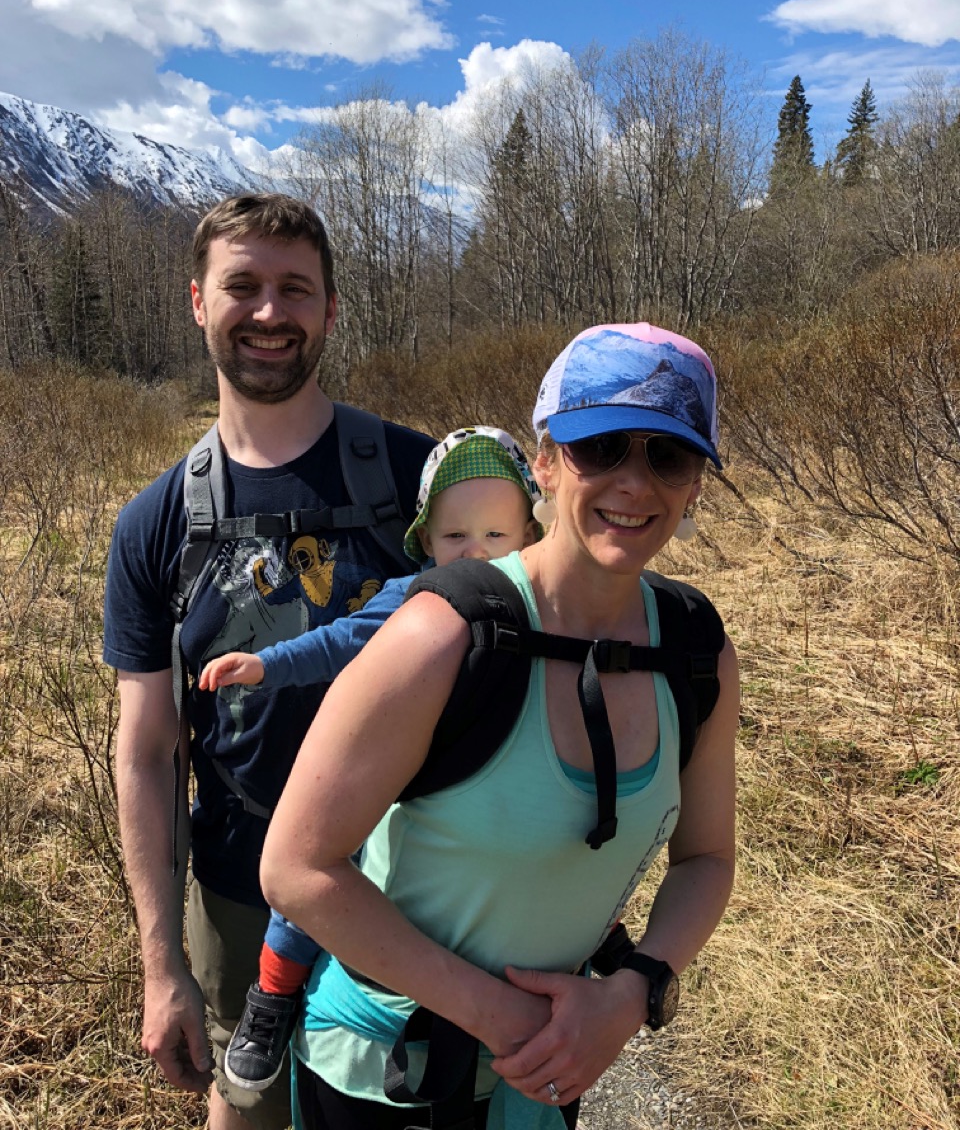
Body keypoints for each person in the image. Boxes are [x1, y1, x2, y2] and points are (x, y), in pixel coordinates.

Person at [261, 322, 740, 1130]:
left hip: (542, 1077)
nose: (634, 482)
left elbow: (707, 857)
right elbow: (297, 868)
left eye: (669, 455)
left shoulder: (695, 654)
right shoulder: (443, 635)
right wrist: (501, 1017)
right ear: (546, 462)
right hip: (386, 1078)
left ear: (695, 485)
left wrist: (630, 994)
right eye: (603, 447)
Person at [103, 193, 435, 1130]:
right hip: (240, 895)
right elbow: (147, 751)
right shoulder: (156, 525)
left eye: (296, 289)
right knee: (246, 1109)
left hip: (416, 887)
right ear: (198, 303)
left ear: (330, 309)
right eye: (242, 285)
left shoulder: (419, 483)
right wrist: (161, 964)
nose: (269, 312)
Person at [196, 427, 542, 1094]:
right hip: (400, 782)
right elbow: (337, 641)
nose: (475, 553)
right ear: (425, 543)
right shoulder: (415, 597)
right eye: (454, 538)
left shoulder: (547, 610)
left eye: (496, 537)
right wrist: (265, 665)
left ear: (529, 535)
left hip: (493, 788)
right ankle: (272, 994)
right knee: (322, 866)